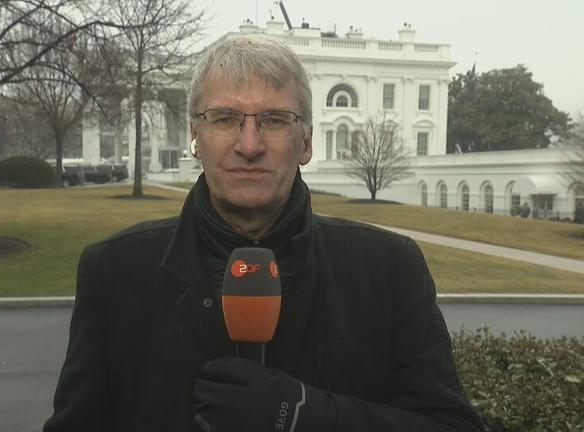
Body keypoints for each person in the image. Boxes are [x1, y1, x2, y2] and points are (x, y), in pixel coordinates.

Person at [44, 36, 483, 431]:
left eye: (274, 120)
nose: (249, 145)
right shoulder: (116, 271)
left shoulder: (388, 269)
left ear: (306, 142)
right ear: (196, 137)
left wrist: (302, 414)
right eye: (224, 118)